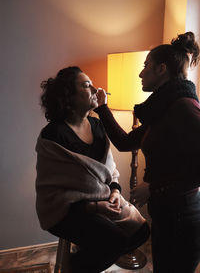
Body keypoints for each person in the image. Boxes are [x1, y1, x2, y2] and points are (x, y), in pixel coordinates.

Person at [95, 31, 200, 273]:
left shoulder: (184, 107)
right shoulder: (163, 109)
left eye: (146, 67)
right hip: (167, 212)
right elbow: (123, 142)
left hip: (183, 216)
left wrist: (154, 187)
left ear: (161, 69)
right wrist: (102, 108)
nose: (141, 73)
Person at [35, 66, 150, 273]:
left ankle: (83, 260)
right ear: (68, 95)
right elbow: (55, 191)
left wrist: (114, 191)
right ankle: (76, 268)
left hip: (103, 200)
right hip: (65, 210)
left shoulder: (97, 125)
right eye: (87, 85)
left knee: (141, 231)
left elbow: (110, 169)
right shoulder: (53, 134)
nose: (96, 88)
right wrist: (95, 207)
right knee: (114, 240)